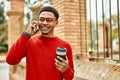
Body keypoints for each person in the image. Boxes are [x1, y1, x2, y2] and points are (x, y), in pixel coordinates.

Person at [6, 6, 74, 80]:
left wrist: (65, 70)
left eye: (49, 20)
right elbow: (11, 60)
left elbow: (70, 77)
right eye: (41, 19)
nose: (44, 23)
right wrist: (26, 34)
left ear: (56, 23)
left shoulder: (65, 46)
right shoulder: (29, 41)